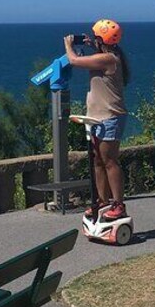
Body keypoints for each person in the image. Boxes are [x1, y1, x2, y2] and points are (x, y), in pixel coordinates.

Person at [64, 19, 131, 220]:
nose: (93, 39)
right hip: (97, 118)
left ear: (103, 39)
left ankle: (118, 204)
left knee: (110, 161)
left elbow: (74, 61)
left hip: (110, 117)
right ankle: (102, 201)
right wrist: (93, 45)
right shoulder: (110, 55)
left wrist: (69, 45)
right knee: (97, 161)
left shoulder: (109, 59)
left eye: (96, 37)